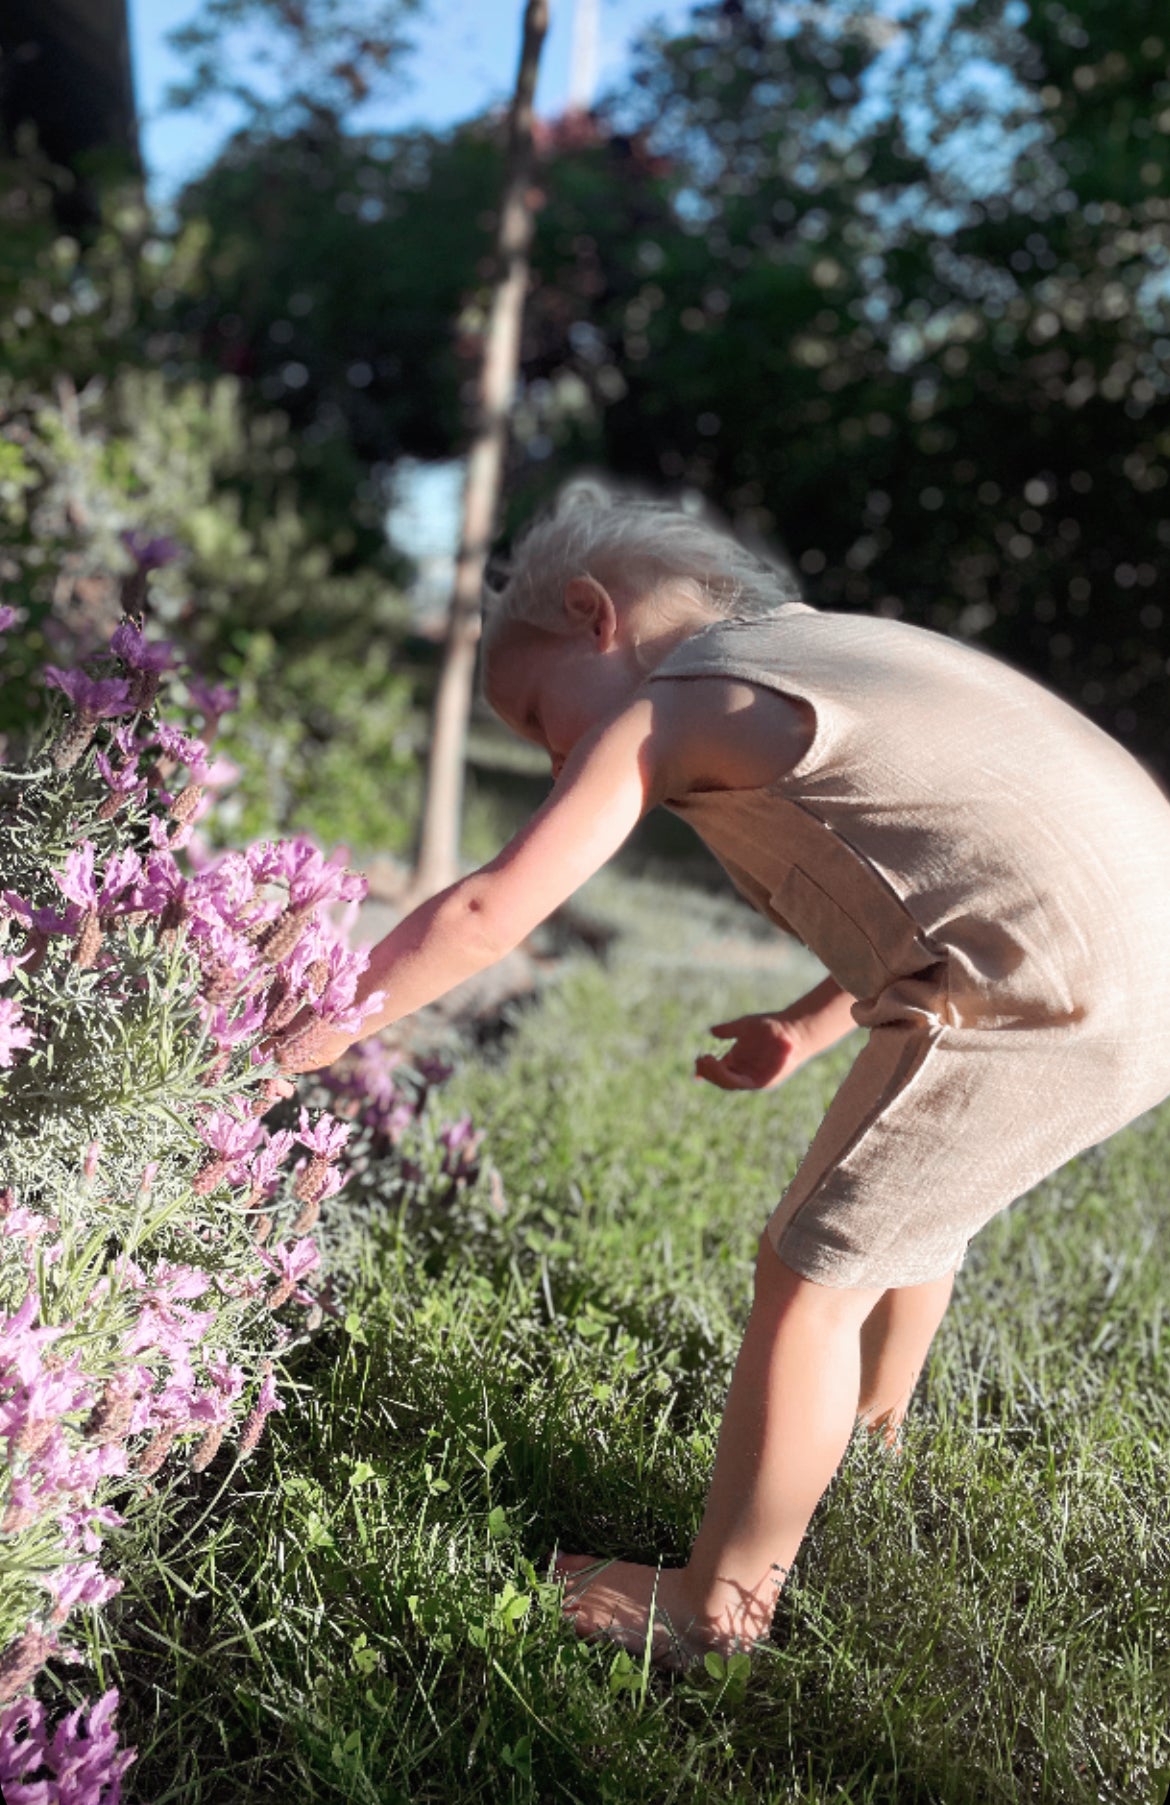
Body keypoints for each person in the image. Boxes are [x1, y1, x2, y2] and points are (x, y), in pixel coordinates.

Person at [278, 485, 1170, 1670]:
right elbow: (941, 868)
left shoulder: (679, 704)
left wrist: (312, 1030)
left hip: (1038, 987)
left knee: (810, 1269)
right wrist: (809, 1024)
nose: (556, 757)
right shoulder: (812, 651)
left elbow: (492, 908)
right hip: (1120, 953)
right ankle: (871, 1445)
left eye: (543, 717)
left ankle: (716, 1609)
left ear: (596, 614)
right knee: (913, 1215)